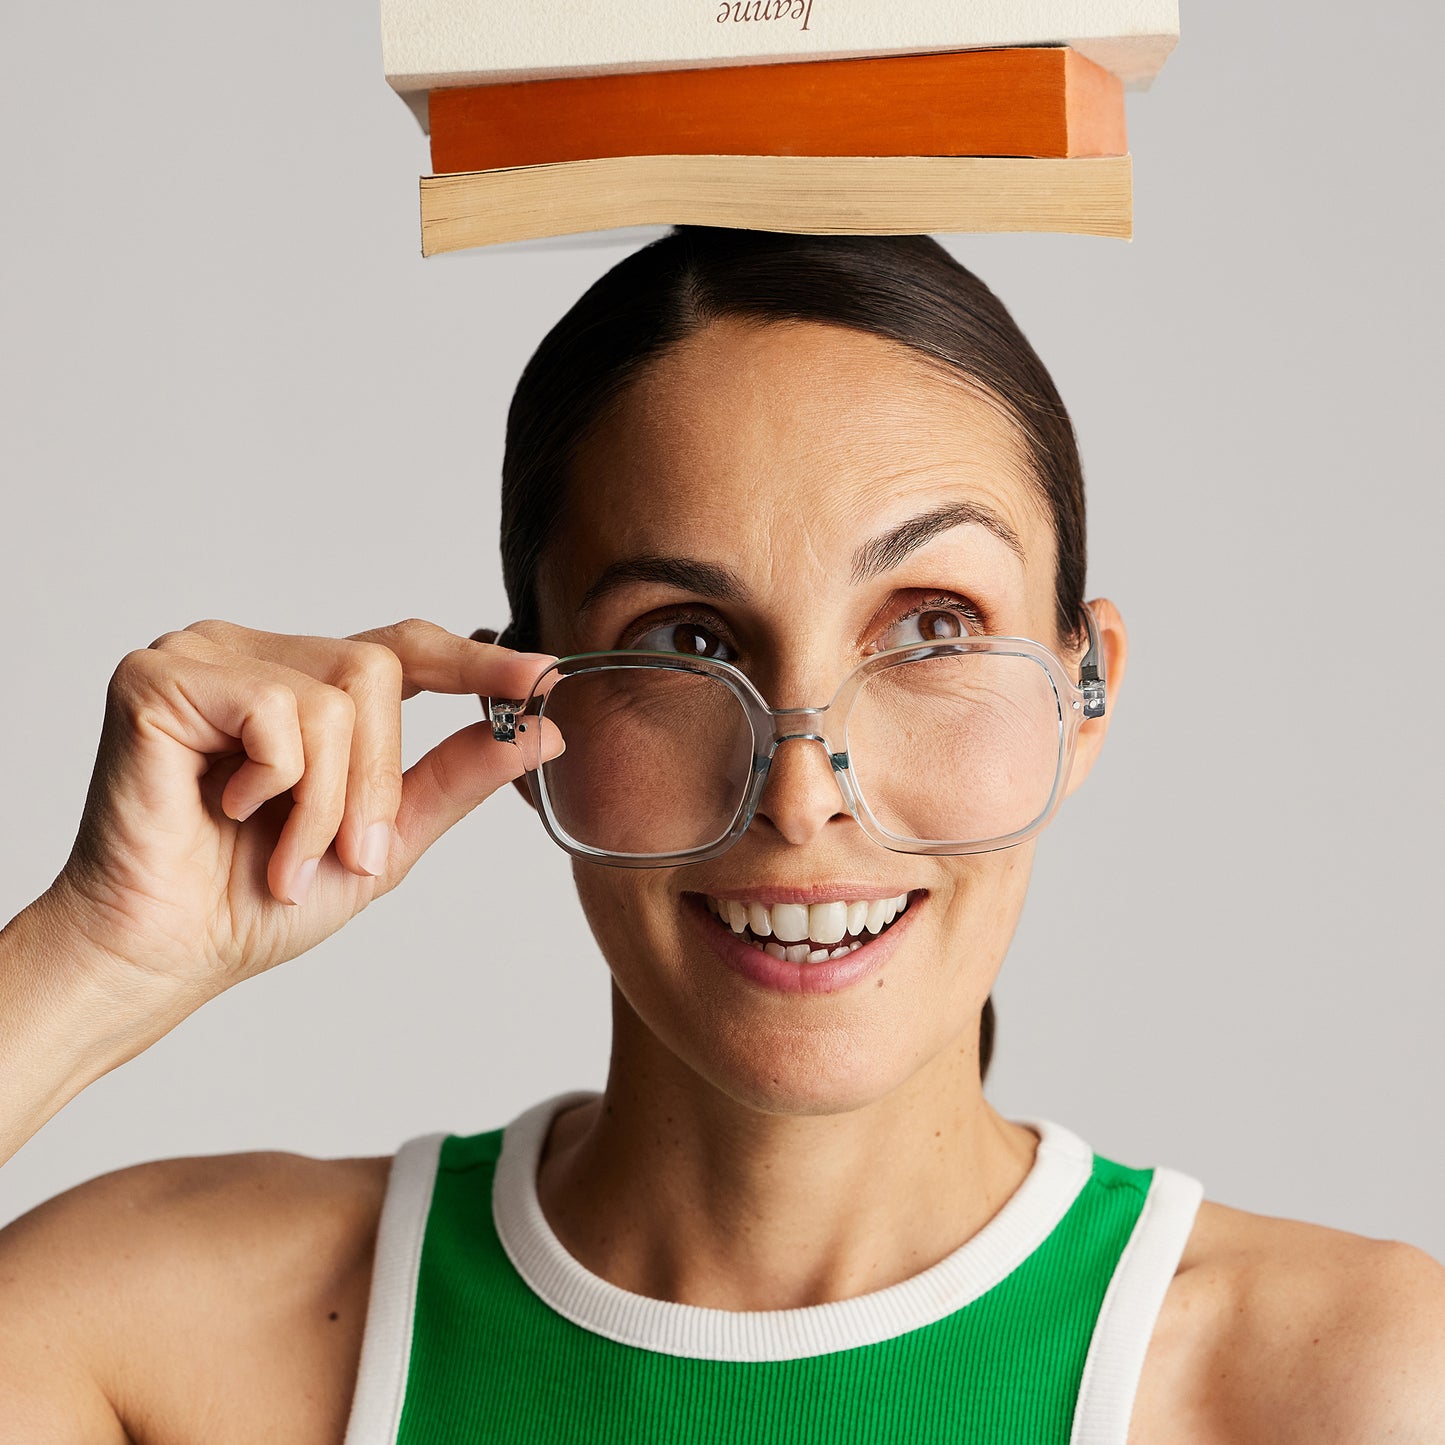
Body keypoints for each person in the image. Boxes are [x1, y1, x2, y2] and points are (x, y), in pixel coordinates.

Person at [0, 227, 1440, 1444]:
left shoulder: (1348, 1384)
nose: (801, 790)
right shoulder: (178, 1350)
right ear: (523, 706)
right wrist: (94, 958)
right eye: (686, 638)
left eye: (931, 627)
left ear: (1086, 687)